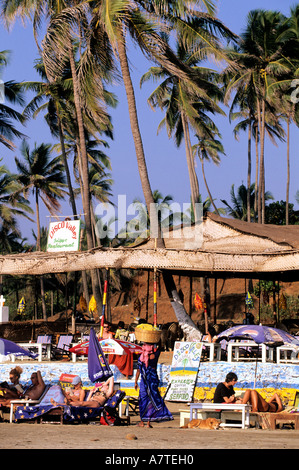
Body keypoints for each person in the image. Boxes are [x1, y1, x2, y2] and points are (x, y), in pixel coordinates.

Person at [134, 342, 173, 428]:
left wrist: (135, 381)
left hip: (144, 382)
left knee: (143, 400)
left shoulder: (142, 357)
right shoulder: (155, 355)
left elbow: (138, 370)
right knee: (151, 400)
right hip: (153, 381)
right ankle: (148, 422)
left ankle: (142, 421)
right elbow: (160, 346)